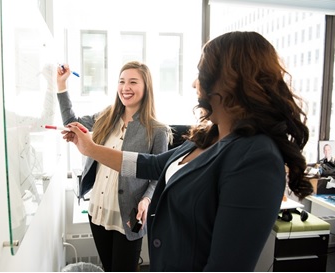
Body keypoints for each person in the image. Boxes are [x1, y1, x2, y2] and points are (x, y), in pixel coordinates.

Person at [63, 31, 312, 271]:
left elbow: (225, 267)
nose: (194, 83)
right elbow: (152, 165)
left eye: (201, 73)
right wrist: (91, 149)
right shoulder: (208, 136)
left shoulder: (256, 157)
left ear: (230, 80)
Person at [55, 62, 169, 272]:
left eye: (133, 82)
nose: (126, 87)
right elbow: (71, 122)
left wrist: (147, 199)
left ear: (146, 87)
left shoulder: (157, 130)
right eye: (122, 81)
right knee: (109, 268)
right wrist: (62, 85)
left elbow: (158, 175)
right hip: (98, 209)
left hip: (128, 214)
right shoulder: (106, 117)